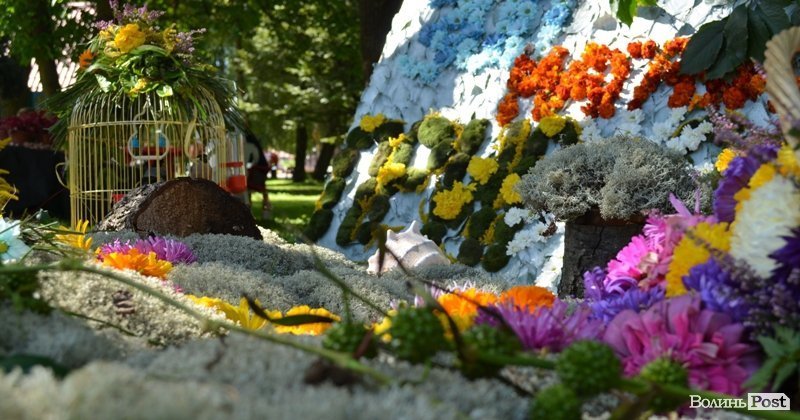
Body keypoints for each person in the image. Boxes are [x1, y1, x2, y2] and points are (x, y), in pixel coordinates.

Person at [244, 129, 272, 220]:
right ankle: (266, 213)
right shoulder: (255, 147)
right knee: (264, 192)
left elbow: (251, 161)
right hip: (259, 173)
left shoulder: (246, 146)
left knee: (247, 191)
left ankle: (249, 212)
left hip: (253, 174)